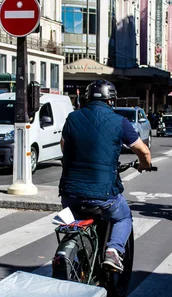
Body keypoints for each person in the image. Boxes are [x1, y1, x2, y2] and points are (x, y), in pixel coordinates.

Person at [59, 79, 152, 272]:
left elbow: (63, 146)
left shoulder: (72, 118)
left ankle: (73, 256)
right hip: (103, 194)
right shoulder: (120, 122)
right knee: (123, 217)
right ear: (111, 100)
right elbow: (143, 150)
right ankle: (113, 251)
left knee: (74, 219)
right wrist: (145, 165)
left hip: (70, 191)